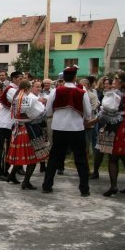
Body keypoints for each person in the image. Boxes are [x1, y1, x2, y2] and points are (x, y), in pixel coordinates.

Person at [41, 66, 92, 196]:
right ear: (75, 78)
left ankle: (47, 185)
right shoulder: (82, 92)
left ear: (63, 78)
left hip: (59, 127)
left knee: (54, 157)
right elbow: (88, 113)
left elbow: (48, 110)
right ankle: (84, 189)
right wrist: (84, 118)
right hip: (76, 128)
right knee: (80, 158)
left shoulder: (56, 91)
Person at [5, 80, 49, 189]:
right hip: (29, 129)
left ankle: (11, 175)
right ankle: (26, 181)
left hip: (18, 129)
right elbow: (40, 113)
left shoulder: (16, 99)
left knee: (20, 155)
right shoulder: (30, 99)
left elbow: (13, 112)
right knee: (33, 157)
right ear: (27, 89)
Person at [96, 73, 125, 196]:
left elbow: (108, 110)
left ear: (121, 82)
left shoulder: (117, 94)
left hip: (117, 126)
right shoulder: (119, 93)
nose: (112, 81)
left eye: (115, 79)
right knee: (124, 156)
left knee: (113, 157)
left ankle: (114, 186)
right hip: (121, 125)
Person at [0, 71, 24, 181]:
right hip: (5, 123)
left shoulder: (16, 90)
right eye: (20, 78)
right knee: (5, 148)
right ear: (14, 79)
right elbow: (18, 104)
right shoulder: (11, 90)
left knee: (8, 148)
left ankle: (5, 170)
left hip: (10, 123)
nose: (22, 80)